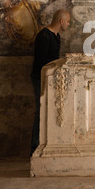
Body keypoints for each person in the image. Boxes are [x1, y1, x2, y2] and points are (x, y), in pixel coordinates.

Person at [30, 9, 71, 156]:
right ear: (61, 21)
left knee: (47, 111)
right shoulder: (44, 36)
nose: (68, 24)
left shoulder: (56, 36)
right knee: (40, 112)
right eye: (67, 21)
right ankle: (35, 149)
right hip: (39, 78)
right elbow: (41, 63)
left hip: (49, 78)